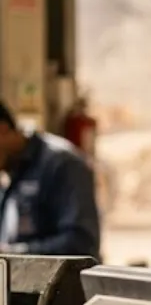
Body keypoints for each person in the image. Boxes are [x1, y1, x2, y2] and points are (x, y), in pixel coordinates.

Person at [0, 100, 101, 258]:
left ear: (2, 130)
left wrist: (13, 254)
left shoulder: (62, 164)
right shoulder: (8, 172)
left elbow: (81, 243)